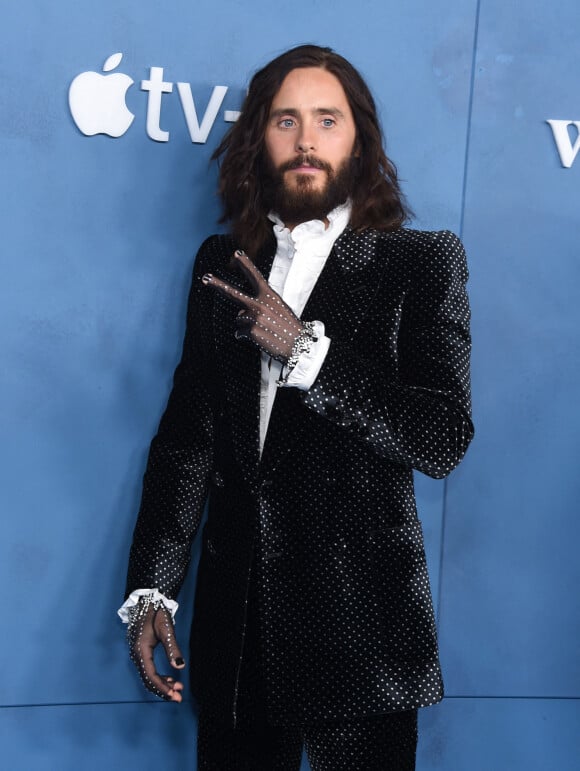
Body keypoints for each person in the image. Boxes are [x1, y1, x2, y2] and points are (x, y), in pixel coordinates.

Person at [119, 44, 474, 770]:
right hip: (238, 634)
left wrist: (308, 354)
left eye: (327, 120)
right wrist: (154, 584)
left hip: (365, 640)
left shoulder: (422, 260)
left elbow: (441, 435)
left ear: (360, 140)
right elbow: (191, 437)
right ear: (259, 138)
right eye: (286, 120)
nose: (307, 140)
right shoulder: (220, 264)